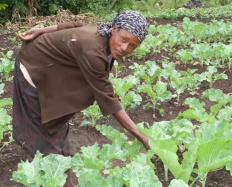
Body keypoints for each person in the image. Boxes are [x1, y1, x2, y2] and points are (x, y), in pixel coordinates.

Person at [13, 10, 150, 187]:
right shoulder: (92, 49)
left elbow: (75, 26)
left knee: (57, 113)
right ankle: (53, 170)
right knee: (40, 125)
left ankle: (59, 158)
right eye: (124, 39)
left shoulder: (102, 31)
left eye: (132, 46)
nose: (125, 48)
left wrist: (43, 29)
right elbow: (108, 98)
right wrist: (142, 137)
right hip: (34, 64)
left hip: (54, 66)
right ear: (114, 29)